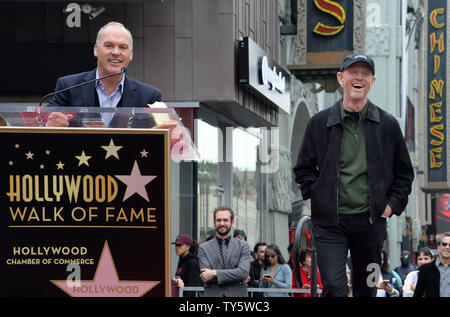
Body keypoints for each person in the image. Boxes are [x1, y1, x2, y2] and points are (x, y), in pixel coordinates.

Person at [293, 53, 414, 297]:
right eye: (353, 72)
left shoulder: (388, 125)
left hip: (371, 225)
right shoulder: (319, 123)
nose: (359, 78)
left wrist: (390, 206)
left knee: (367, 289)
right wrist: (318, 197)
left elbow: (404, 174)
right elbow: (303, 169)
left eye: (365, 74)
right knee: (335, 288)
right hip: (329, 225)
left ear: (372, 81)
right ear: (341, 78)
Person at [47, 21, 161, 128]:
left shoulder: (149, 97)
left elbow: (158, 138)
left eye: (123, 47)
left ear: (130, 54)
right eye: (109, 45)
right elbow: (44, 121)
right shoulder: (67, 87)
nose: (116, 52)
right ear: (96, 50)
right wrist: (51, 123)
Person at [198, 206, 251, 297]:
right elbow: (206, 277)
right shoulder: (203, 248)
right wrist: (236, 277)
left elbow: (243, 273)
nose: (222, 223)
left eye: (225, 220)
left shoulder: (243, 246)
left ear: (232, 222)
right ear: (214, 222)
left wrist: (214, 273)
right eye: (219, 220)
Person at [414, 232, 450, 297]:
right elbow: (418, 294)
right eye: (444, 244)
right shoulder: (425, 269)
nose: (447, 247)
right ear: (438, 247)